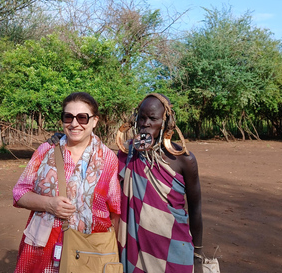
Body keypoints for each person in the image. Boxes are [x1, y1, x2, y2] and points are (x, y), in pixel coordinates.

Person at [12, 92, 121, 272]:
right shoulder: (47, 150)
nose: (74, 123)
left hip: (87, 252)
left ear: (94, 121)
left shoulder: (108, 159)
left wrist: (111, 250)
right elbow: (19, 193)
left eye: (82, 118)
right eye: (68, 117)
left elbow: (115, 211)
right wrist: (48, 204)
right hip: (42, 247)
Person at [115, 93, 204, 273]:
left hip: (174, 246)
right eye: (142, 118)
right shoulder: (127, 153)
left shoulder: (184, 160)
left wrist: (198, 255)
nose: (145, 124)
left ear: (166, 122)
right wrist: (64, 141)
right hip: (135, 247)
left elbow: (195, 208)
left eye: (152, 118)